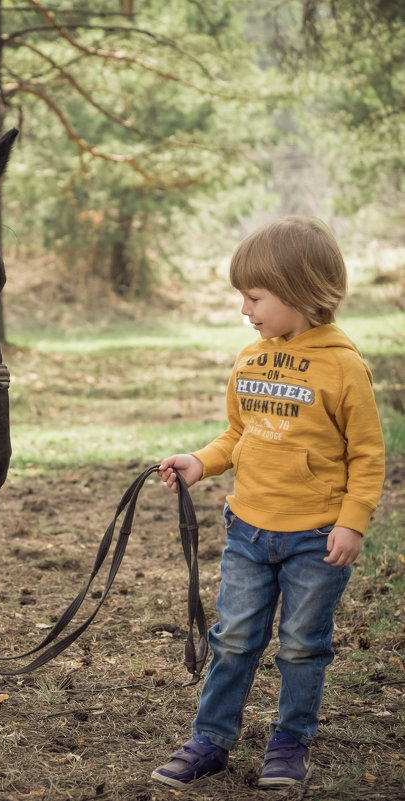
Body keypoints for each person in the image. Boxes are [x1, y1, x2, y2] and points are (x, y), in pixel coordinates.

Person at [152, 216, 385, 790]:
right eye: (243, 297)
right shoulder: (251, 358)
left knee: (304, 646)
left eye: (255, 296)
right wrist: (201, 461)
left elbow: (368, 455)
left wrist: (351, 523)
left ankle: (290, 741)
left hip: (316, 538)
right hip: (248, 532)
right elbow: (240, 433)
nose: (246, 310)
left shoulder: (343, 366)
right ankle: (210, 739)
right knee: (232, 639)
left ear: (302, 289)